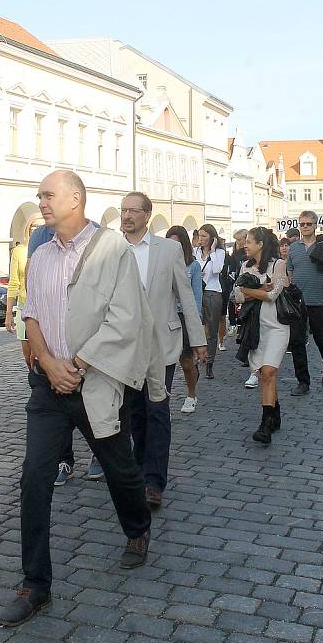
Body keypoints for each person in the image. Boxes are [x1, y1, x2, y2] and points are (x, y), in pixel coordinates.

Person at [0, 171, 166, 628]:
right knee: (34, 479)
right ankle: (35, 584)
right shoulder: (41, 255)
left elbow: (126, 317)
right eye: (39, 196)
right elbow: (30, 314)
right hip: (47, 386)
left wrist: (79, 364)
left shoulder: (111, 249)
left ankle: (137, 529)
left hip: (93, 382)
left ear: (76, 198)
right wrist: (50, 364)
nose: (42, 202)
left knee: (119, 467)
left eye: (48, 195)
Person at [122, 193, 206, 507]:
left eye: (133, 210)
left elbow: (185, 296)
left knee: (157, 411)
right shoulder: (113, 249)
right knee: (135, 413)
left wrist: (197, 340)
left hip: (162, 344)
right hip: (125, 347)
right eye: (124, 210)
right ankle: (140, 468)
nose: (127, 215)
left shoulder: (168, 249)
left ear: (147, 215)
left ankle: (154, 481)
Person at [238, 228, 289, 444]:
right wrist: (258, 287)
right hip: (256, 328)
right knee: (263, 374)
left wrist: (250, 289)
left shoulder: (278, 264)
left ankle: (265, 424)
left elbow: (272, 295)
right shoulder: (245, 266)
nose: (245, 245)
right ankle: (274, 412)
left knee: (268, 372)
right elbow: (237, 296)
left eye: (248, 242)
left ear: (260, 244)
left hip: (277, 326)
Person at [287, 211, 323, 395]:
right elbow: (289, 273)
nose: (304, 227)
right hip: (297, 302)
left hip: (319, 300)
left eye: (308, 224)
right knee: (297, 342)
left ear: (315, 226)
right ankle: (303, 382)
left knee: (322, 339)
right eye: (302, 224)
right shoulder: (293, 248)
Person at [166, 226, 203, 414]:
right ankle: (163, 398)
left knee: (186, 362)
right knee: (165, 361)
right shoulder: (161, 264)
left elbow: (196, 297)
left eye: (177, 244)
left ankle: (191, 394)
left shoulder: (193, 266)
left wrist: (196, 325)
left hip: (184, 316)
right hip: (166, 315)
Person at [5, 219, 43, 368]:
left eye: (39, 227)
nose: (35, 229)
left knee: (39, 353)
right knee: (28, 355)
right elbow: (14, 282)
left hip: (43, 307)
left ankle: (40, 385)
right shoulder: (19, 251)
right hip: (24, 305)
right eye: (33, 226)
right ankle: (34, 379)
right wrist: (9, 313)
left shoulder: (51, 250)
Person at [195, 224, 226, 379]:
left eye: (204, 236)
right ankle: (197, 357)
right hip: (197, 293)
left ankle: (209, 363)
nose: (201, 239)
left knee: (212, 330)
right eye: (199, 236)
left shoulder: (219, 252)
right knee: (196, 327)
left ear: (212, 238)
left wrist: (212, 251)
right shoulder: (195, 252)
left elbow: (217, 269)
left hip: (213, 293)